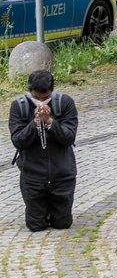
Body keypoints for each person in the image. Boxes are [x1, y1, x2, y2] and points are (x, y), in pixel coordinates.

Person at [8, 71, 78, 232]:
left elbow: (69, 138)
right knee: (36, 226)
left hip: (62, 175)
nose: (41, 102)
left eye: (44, 98)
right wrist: (34, 124)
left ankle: (56, 211)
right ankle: (41, 211)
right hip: (33, 176)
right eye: (36, 98)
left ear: (52, 90)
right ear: (29, 91)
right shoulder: (19, 106)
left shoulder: (65, 103)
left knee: (62, 224)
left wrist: (50, 122)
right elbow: (18, 141)